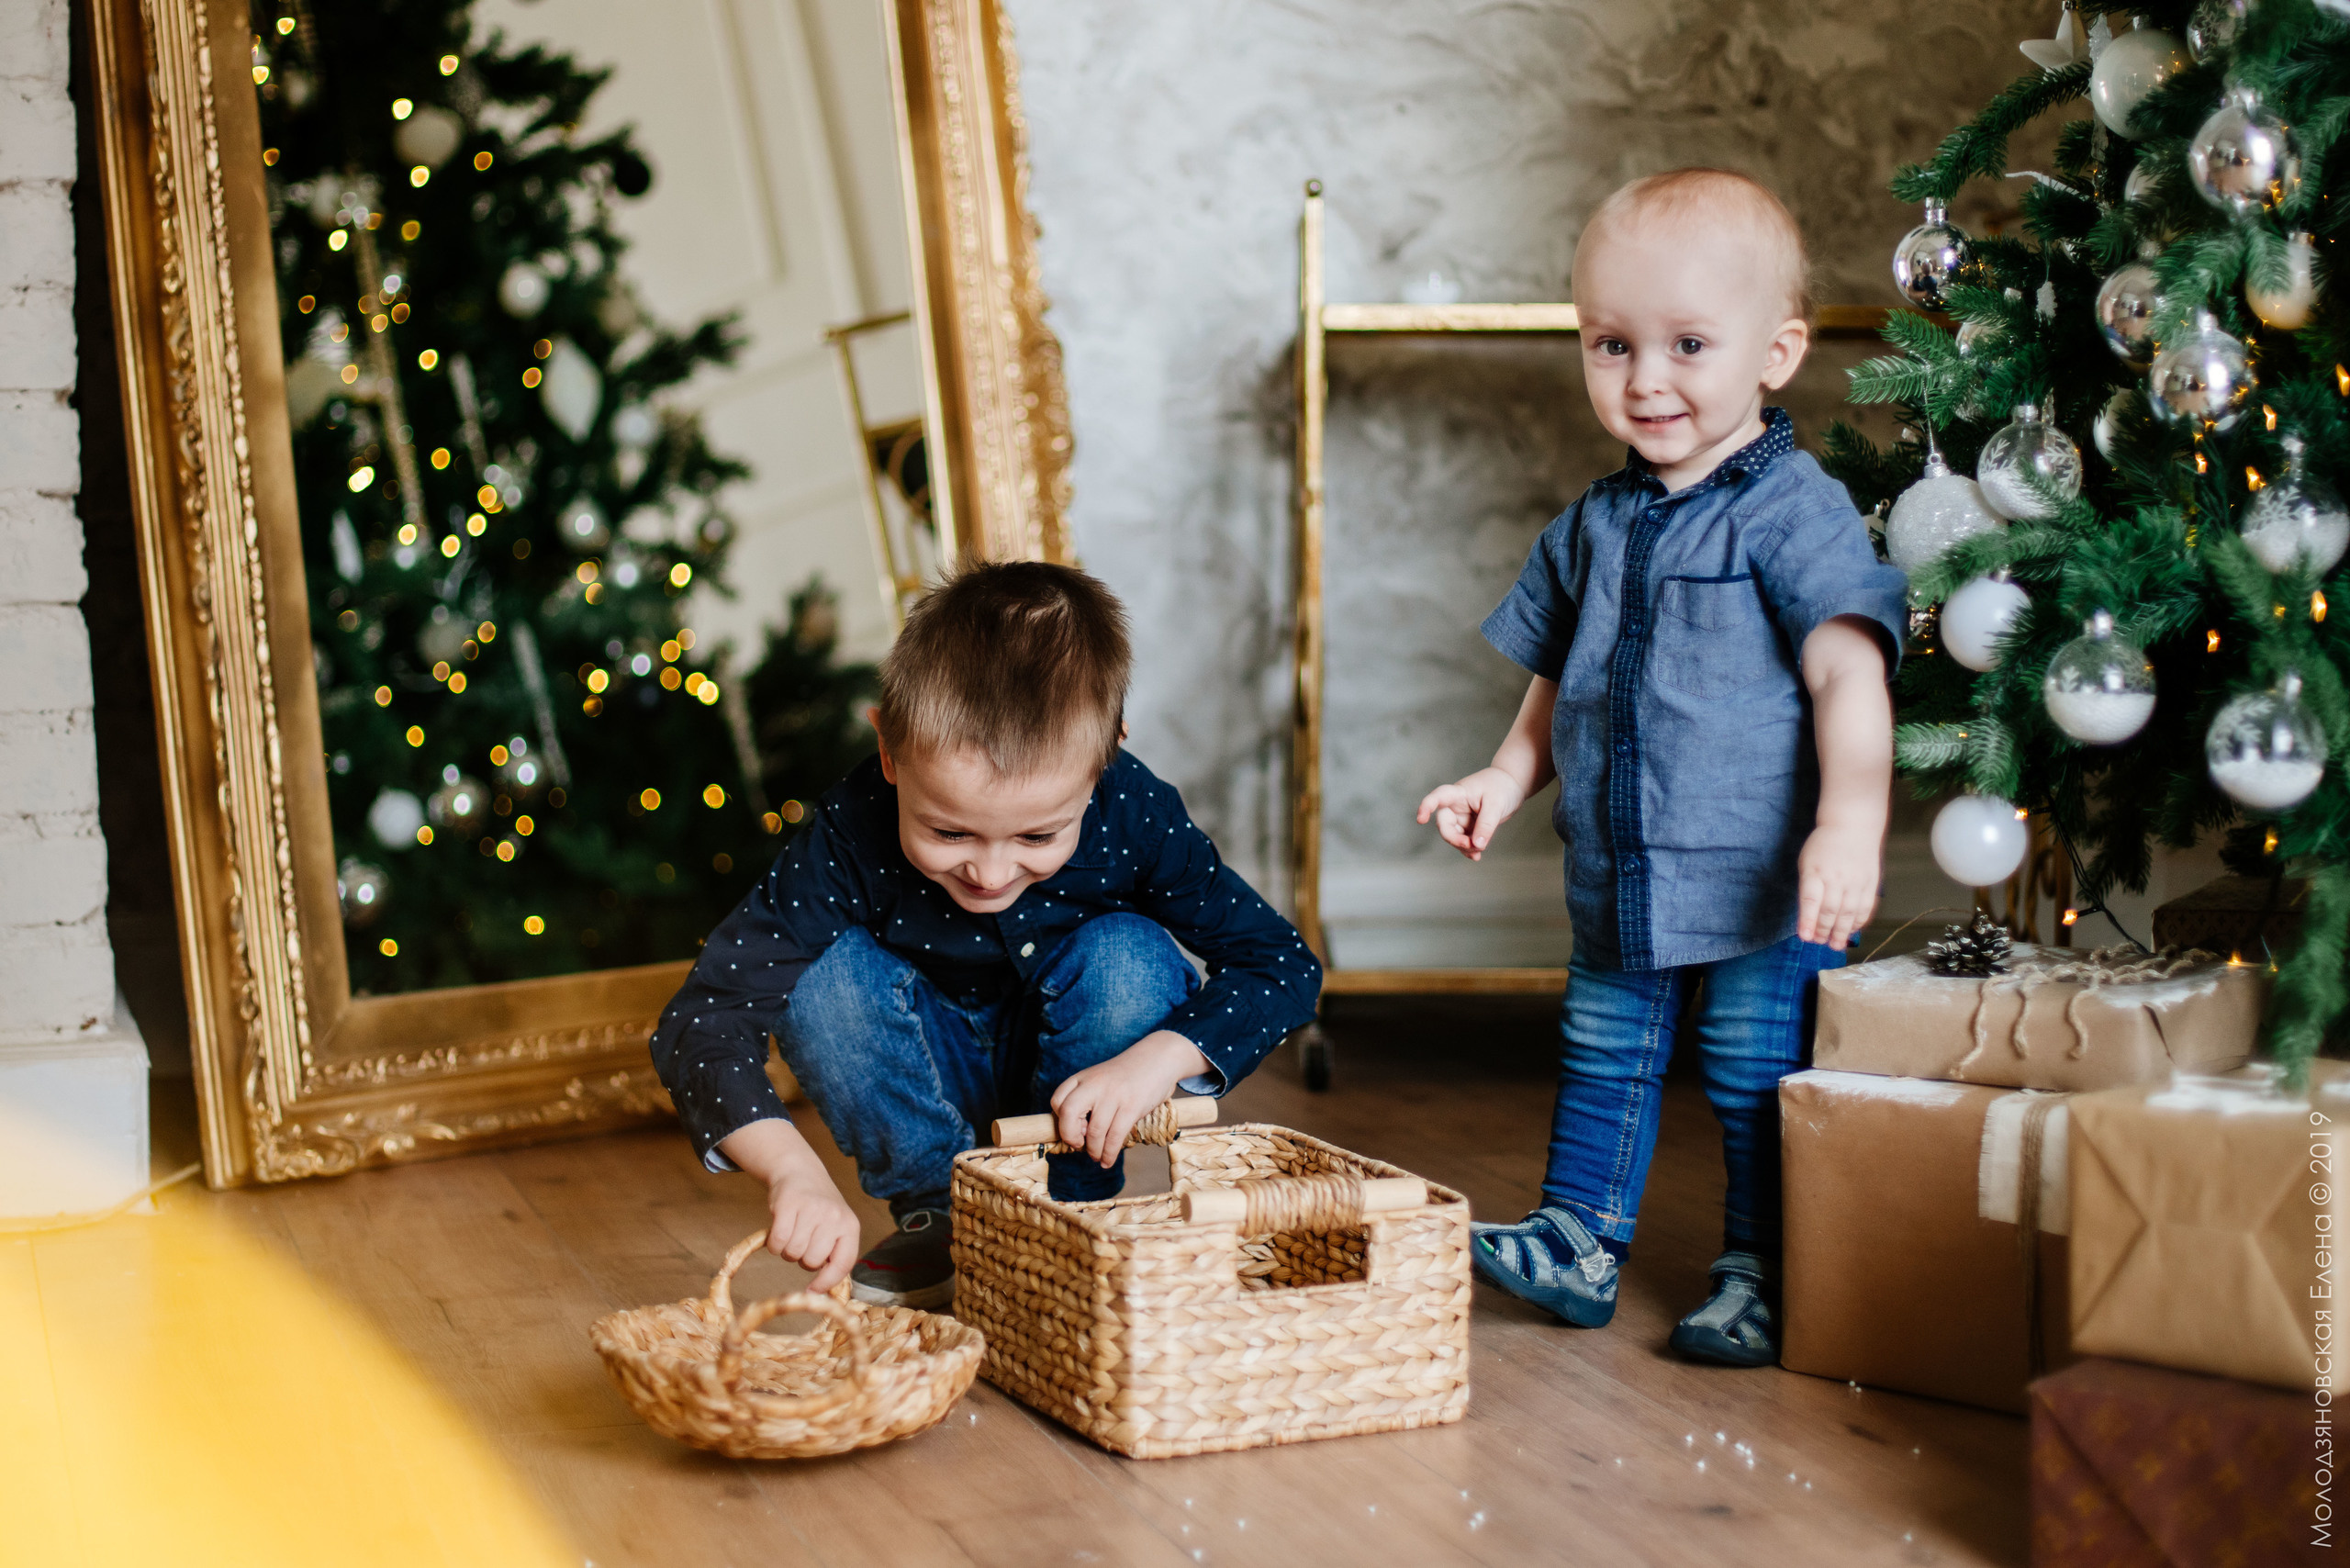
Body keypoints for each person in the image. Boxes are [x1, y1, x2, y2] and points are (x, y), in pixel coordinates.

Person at [1416, 168, 1907, 1366]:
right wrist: (1501, 775)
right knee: (1603, 1050)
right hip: (1625, 865)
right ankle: (1579, 1239)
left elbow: (1850, 675)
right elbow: (1556, 674)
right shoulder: (1592, 523)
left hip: (1756, 878)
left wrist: (1849, 824)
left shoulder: (1794, 514)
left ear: (1777, 351)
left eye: (1689, 343)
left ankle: (1764, 1270)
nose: (1646, 379)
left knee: (1749, 1069)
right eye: (1611, 344)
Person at [651, 561, 1322, 1308]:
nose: (991, 872)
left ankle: (1070, 1210)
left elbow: (1283, 966)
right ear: (889, 753)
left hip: (1076, 1088)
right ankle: (944, 1210)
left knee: (1127, 953)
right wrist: (791, 1171)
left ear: (1103, 763)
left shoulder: (1135, 811)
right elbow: (702, 1018)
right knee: (819, 978)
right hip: (923, 1074)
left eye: (1038, 835)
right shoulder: (849, 829)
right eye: (948, 830)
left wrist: (1153, 1063)